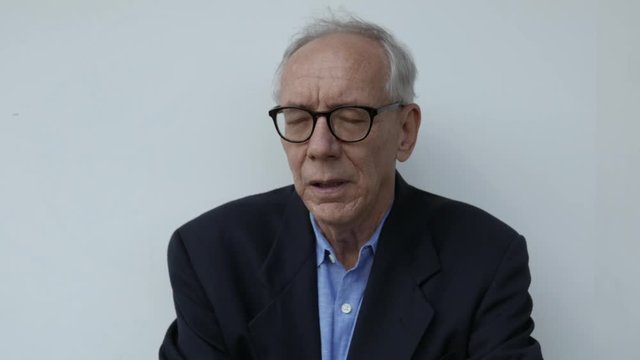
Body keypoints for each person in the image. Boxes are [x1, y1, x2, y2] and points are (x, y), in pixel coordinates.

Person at [160, 15, 543, 360]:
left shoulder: (484, 258)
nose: (320, 148)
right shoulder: (210, 254)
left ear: (405, 132)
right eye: (297, 119)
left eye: (350, 117)